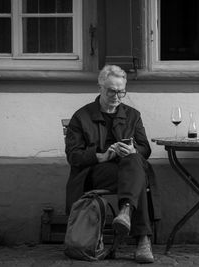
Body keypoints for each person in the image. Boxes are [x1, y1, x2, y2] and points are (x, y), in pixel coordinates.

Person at [64, 65, 160, 264]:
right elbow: (74, 156)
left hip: (128, 170)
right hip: (96, 172)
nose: (117, 96)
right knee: (138, 176)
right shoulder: (81, 117)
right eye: (111, 91)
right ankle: (142, 240)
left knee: (134, 161)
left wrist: (134, 151)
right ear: (100, 87)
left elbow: (145, 149)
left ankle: (125, 212)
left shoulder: (132, 115)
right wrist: (102, 156)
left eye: (121, 91)